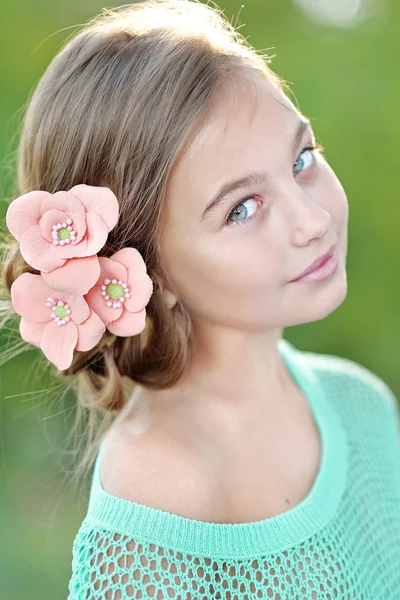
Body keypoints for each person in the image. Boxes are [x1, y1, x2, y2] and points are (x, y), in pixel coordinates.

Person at [1, 0, 400, 597]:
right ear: (144, 271)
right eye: (242, 208)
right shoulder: (157, 495)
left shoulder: (360, 404)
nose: (312, 219)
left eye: (301, 159)